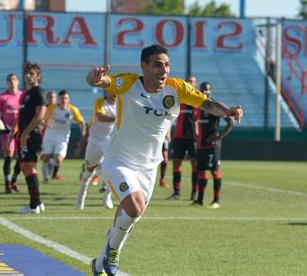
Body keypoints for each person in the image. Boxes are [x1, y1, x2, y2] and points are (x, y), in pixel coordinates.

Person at [86, 44, 243, 275]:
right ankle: (113, 252)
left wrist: (227, 111)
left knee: (128, 215)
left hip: (149, 168)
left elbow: (207, 104)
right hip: (119, 160)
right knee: (134, 207)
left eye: (167, 65)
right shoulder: (129, 83)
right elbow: (101, 82)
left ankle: (99, 263)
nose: (163, 70)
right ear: (144, 67)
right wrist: (95, 78)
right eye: (157, 65)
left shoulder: (177, 88)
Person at [10, 62, 46, 214]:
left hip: (32, 135)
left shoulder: (38, 92)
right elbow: (21, 116)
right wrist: (15, 132)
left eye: (32, 73)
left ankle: (33, 206)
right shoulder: (24, 94)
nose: (28, 76)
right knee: (25, 168)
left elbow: (40, 115)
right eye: (27, 73)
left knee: (29, 167)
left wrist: (26, 133)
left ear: (38, 76)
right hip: (22, 135)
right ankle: (38, 202)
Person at [192, 82, 234, 209]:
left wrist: (220, 136)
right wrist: (196, 135)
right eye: (203, 90)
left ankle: (216, 201)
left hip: (212, 146)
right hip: (200, 145)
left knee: (214, 171)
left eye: (207, 90)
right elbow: (195, 122)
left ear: (211, 92)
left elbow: (230, 121)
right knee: (201, 171)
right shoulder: (198, 105)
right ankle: (200, 200)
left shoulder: (214, 106)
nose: (205, 92)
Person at [76, 91, 116, 210]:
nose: (114, 93)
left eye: (116, 90)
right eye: (112, 90)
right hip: (95, 141)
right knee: (89, 171)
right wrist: (119, 117)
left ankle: (107, 197)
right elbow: (101, 117)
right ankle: (81, 197)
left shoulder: (121, 104)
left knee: (114, 170)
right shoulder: (100, 102)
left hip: (110, 142)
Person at [41, 90, 86, 183]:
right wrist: (46, 123)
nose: (64, 100)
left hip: (62, 138)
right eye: (62, 98)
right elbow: (45, 119)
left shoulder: (73, 110)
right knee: (45, 157)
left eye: (66, 98)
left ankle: (50, 163)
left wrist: (83, 133)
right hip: (50, 136)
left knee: (58, 160)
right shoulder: (52, 108)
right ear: (58, 99)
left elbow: (81, 121)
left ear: (68, 99)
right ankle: (45, 179)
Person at [168, 74, 200, 200]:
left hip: (193, 138)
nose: (189, 83)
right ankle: (176, 192)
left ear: (195, 84)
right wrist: (168, 132)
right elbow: (169, 116)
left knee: (195, 165)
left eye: (191, 81)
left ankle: (195, 192)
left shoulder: (197, 101)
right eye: (187, 81)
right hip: (179, 136)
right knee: (176, 163)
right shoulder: (178, 99)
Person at [0, 73, 23, 193]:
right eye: (9, 80)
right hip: (7, 131)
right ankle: (7, 184)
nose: (12, 81)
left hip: (21, 131)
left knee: (21, 158)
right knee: (8, 156)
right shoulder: (2, 97)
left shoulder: (23, 95)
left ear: (18, 82)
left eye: (14, 79)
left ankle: (14, 181)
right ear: (7, 82)